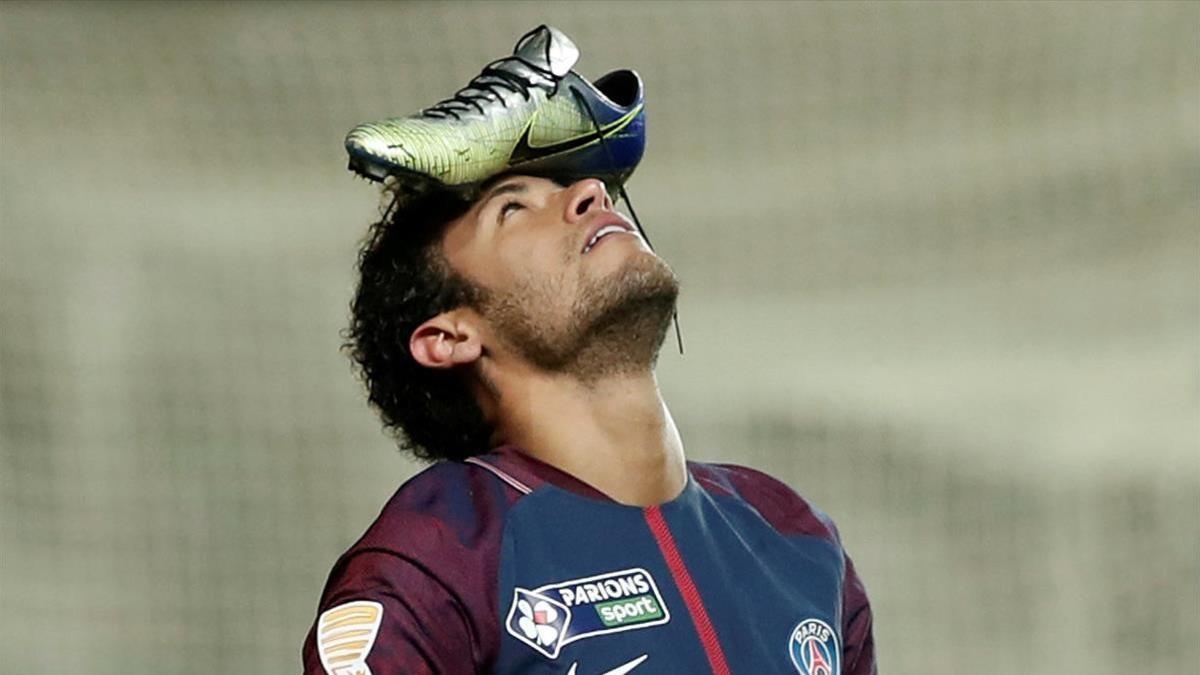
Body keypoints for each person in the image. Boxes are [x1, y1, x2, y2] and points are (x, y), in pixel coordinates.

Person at [303, 25, 874, 675]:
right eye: (513, 209)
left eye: (581, 188)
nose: (590, 193)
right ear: (449, 336)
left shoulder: (797, 540)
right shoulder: (441, 555)